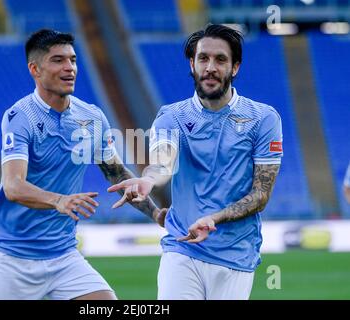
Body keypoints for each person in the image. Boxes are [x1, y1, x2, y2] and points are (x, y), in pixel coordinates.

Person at [0, 29, 165, 300]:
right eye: (58, 60)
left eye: (73, 60)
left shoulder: (91, 116)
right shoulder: (20, 117)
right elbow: (13, 187)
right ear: (35, 70)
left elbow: (116, 174)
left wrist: (156, 214)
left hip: (63, 257)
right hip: (13, 259)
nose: (69, 68)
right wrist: (59, 201)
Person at [108, 24, 282, 300]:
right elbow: (163, 162)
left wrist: (214, 218)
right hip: (182, 248)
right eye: (203, 58)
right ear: (192, 64)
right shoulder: (171, 116)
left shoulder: (263, 119)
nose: (210, 67)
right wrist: (148, 180)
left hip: (235, 254)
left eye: (220, 59)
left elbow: (261, 194)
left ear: (235, 67)